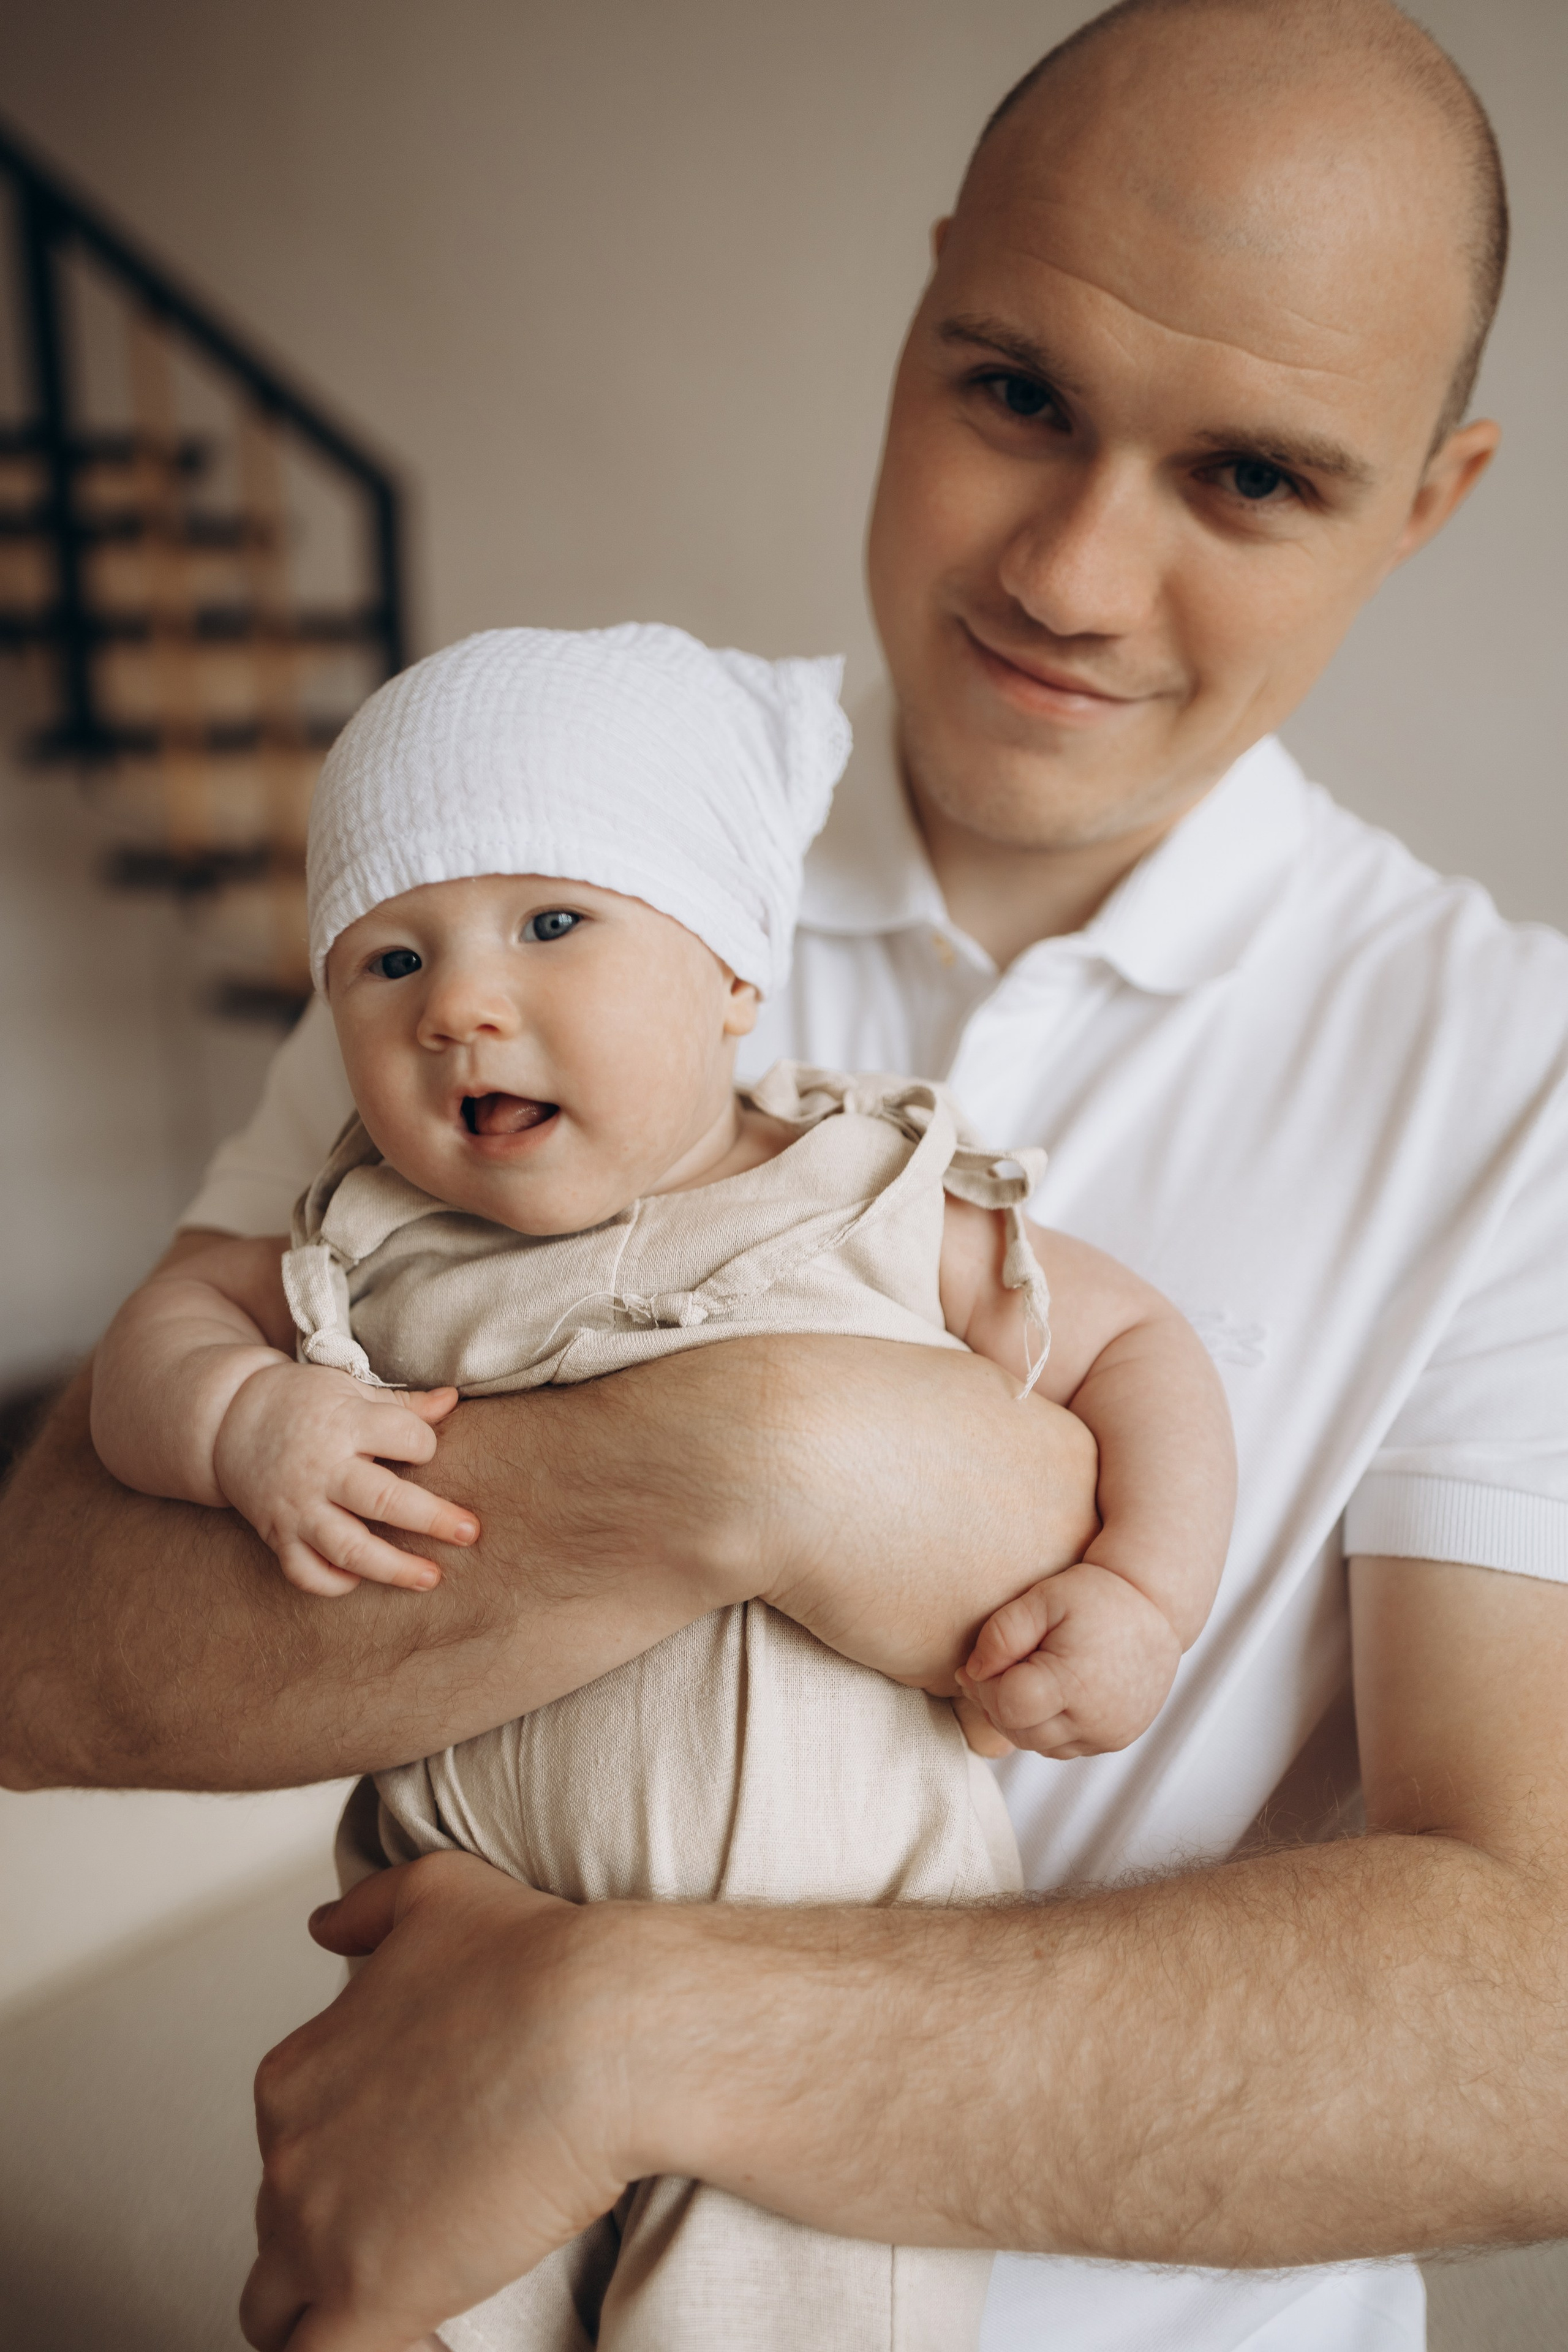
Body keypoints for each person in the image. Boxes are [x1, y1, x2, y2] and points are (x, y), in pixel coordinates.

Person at [4, 2, 1566, 2348]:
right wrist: (750, 1470)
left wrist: (625, 2029)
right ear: (928, 299)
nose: (1072, 570)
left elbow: (1532, 2031)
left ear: (1429, 501)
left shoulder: (1519, 1084)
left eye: (1250, 477)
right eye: (1015, 390)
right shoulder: (525, 872)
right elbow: (45, 1652)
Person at [88, 619, 1232, 2351]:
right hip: (449, 1980)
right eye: (387, 960)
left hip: (827, 2002)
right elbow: (151, 1346)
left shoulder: (866, 1193)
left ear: (732, 978)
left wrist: (1143, 1592)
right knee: (380, 2306)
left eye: (555, 924)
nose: (463, 1002)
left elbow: (1144, 1352)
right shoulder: (369, 1241)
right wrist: (241, 1422)